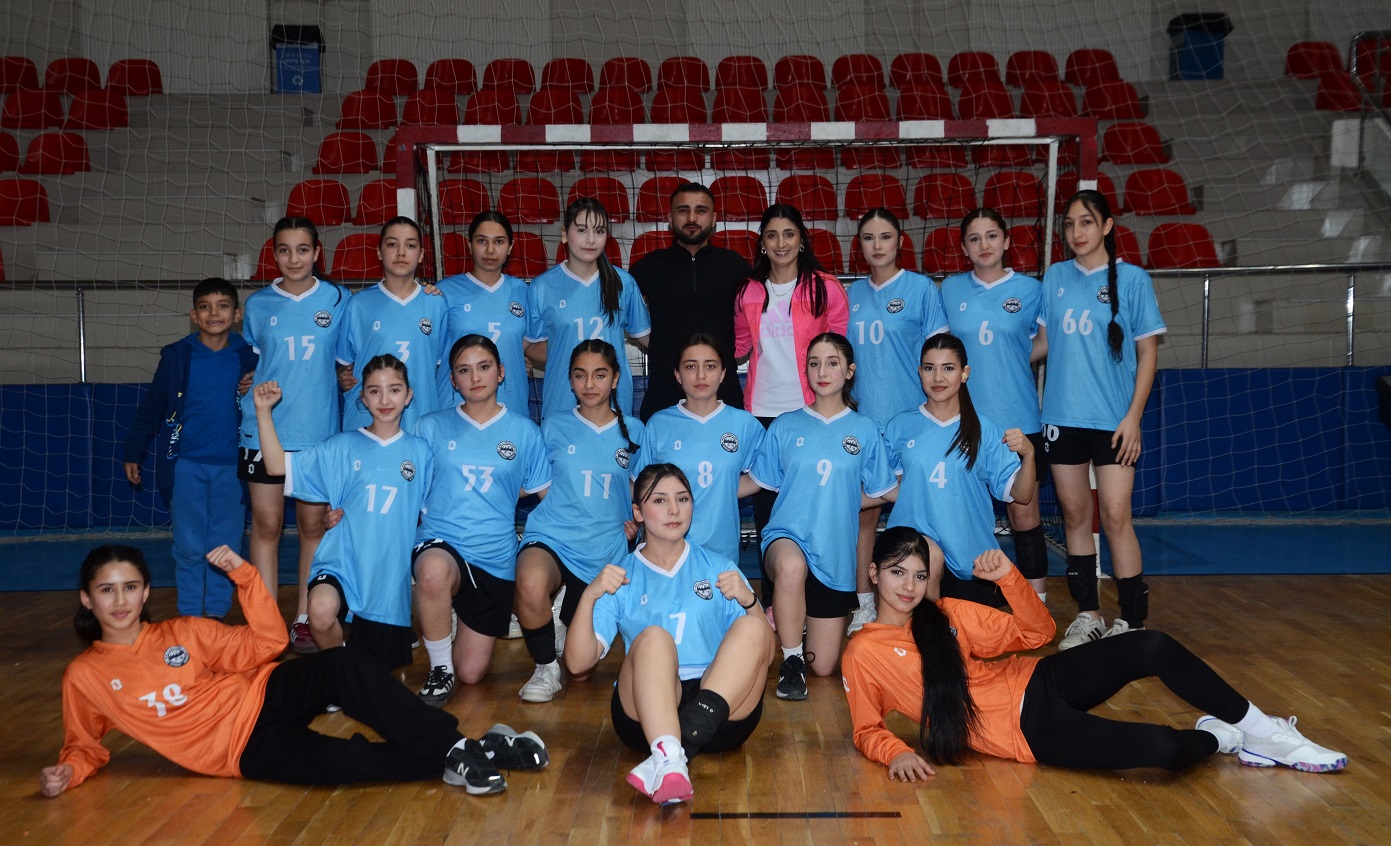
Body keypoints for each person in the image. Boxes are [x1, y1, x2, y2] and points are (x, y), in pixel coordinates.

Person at [40, 544, 550, 798]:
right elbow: (84, 745)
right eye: (107, 590)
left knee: (342, 664)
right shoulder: (84, 676)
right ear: (87, 599)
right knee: (340, 766)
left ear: (146, 592)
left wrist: (245, 577)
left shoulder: (182, 632)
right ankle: (476, 751)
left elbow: (268, 643)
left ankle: (454, 747)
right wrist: (71, 771)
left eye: (130, 587)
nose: (120, 601)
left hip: (264, 694)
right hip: (241, 751)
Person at [842, 526, 1348, 777]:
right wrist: (897, 751)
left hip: (1038, 679)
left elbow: (1038, 633)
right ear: (873, 573)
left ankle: (1266, 731)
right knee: (1164, 751)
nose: (909, 586)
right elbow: (867, 729)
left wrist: (1009, 578)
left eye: (919, 575)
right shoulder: (864, 652)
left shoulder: (947, 614)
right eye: (897, 572)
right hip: (1027, 732)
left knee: (1150, 644)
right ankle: (1223, 738)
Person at [565, 463, 774, 805]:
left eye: (682, 499)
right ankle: (667, 750)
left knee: (753, 625)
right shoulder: (620, 576)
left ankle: (671, 757)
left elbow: (765, 652)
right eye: (660, 500)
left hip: (720, 706)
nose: (674, 510)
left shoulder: (719, 567)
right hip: (645, 710)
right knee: (654, 638)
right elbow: (577, 664)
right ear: (638, 512)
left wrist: (751, 602)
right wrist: (588, 596)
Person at [1041, 191, 1165, 649]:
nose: (1077, 232)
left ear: (1108, 226)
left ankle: (1132, 620)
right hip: (1061, 417)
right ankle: (1088, 615)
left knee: (1115, 515)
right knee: (1075, 515)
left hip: (1114, 421)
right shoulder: (1055, 276)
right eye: (1070, 224)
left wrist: (1133, 417)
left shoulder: (1132, 279)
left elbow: (1148, 353)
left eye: (1087, 222)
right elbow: (1042, 343)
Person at [253, 354, 431, 670]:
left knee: (379, 676)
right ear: (362, 397)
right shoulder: (340, 447)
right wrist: (263, 411)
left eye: (394, 390)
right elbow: (277, 465)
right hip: (341, 562)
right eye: (374, 391)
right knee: (320, 613)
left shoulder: (421, 452)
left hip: (386, 580)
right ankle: (340, 671)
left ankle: (350, 668)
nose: (385, 400)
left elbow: (434, 513)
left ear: (408, 395)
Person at [750, 333, 896, 701]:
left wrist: (933, 491)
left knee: (826, 666)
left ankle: (793, 624)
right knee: (791, 567)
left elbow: (883, 489)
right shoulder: (785, 425)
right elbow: (758, 481)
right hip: (786, 538)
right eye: (814, 363)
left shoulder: (864, 430)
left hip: (834, 554)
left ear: (849, 371)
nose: (822, 371)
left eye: (832, 363)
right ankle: (791, 659)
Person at [412, 335, 552, 704]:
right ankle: (439, 668)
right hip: (441, 542)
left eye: (484, 367)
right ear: (453, 380)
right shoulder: (429, 427)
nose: (475, 377)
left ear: (501, 372)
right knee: (432, 573)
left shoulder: (524, 431)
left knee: (472, 673)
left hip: (494, 557)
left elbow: (546, 498)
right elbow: (404, 488)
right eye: (464, 370)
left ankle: (450, 617)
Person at [239, 217, 347, 653]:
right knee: (266, 523)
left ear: (317, 253)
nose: (294, 258)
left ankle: (304, 617)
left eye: (303, 249)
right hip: (262, 429)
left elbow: (347, 360)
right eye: (284, 250)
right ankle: (265, 622)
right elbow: (256, 363)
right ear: (274, 254)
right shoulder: (258, 305)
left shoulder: (338, 299)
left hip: (317, 433)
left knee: (311, 524)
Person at [515, 340, 644, 703]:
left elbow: (641, 491)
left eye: (599, 375)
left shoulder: (635, 430)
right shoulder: (553, 425)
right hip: (554, 536)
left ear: (615, 379)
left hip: (606, 546)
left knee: (582, 670)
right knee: (530, 579)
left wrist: (637, 523)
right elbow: (531, 482)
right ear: (569, 380)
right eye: (580, 375)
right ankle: (544, 667)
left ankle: (562, 619)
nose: (589, 384)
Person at [735, 204, 850, 609]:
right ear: (762, 244)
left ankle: (820, 598)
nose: (780, 243)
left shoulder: (825, 288)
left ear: (801, 240)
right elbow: (740, 345)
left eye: (788, 234)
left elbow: (839, 350)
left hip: (810, 412)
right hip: (762, 412)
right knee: (767, 509)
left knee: (811, 503)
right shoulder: (749, 290)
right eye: (772, 235)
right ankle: (773, 604)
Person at [121, 277, 258, 619]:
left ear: (237, 314)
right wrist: (133, 450)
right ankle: (191, 617)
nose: (214, 313)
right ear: (194, 316)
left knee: (225, 546)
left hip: (233, 468)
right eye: (205, 307)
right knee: (188, 546)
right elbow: (152, 405)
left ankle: (216, 616)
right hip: (185, 466)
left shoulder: (250, 357)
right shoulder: (177, 356)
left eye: (223, 306)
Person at [845, 208, 949, 633]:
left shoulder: (921, 289)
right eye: (868, 238)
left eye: (885, 236)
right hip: (864, 422)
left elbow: (939, 356)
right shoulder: (851, 293)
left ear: (900, 241)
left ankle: (919, 607)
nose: (877, 245)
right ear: (860, 245)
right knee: (863, 518)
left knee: (914, 517)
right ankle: (864, 604)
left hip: (911, 422)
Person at [941, 208, 1050, 601]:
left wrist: (1013, 360)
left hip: (1017, 419)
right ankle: (968, 602)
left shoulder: (1031, 290)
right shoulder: (950, 290)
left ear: (1006, 241)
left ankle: (1036, 604)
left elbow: (1045, 341)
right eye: (974, 238)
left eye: (991, 236)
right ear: (964, 247)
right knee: (964, 515)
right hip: (964, 422)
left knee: (1024, 513)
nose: (983, 245)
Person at [881, 333, 1037, 606]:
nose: (938, 378)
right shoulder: (899, 426)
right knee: (927, 557)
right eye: (929, 368)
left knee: (975, 631)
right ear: (919, 372)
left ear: (965, 373)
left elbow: (1022, 496)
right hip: (914, 553)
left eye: (948, 368)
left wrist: (1029, 454)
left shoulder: (985, 429)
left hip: (971, 561)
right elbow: (889, 488)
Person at [630, 333, 765, 566]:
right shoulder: (659, 423)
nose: (700, 375)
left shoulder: (744, 424)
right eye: (690, 366)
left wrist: (721, 489)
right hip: (666, 549)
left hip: (722, 552)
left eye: (710, 366)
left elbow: (763, 476)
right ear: (677, 375)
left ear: (723, 373)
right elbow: (639, 485)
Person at [630, 182, 751, 420]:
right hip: (664, 388)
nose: (692, 218)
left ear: (714, 219)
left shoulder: (735, 265)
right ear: (670, 217)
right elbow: (619, 312)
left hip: (722, 387)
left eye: (701, 210)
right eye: (683, 210)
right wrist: (653, 342)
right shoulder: (649, 267)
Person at [525, 197, 651, 419]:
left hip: (613, 403)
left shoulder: (623, 283)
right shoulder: (542, 287)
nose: (591, 239)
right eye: (582, 230)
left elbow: (647, 338)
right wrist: (571, 355)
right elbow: (531, 345)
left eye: (599, 231)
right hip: (562, 401)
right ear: (565, 233)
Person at [337, 217, 450, 432]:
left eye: (410, 245)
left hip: (419, 419)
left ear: (421, 255)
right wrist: (342, 376)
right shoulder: (358, 304)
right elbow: (344, 364)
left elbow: (438, 364)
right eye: (392, 244)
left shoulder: (436, 303)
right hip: (367, 421)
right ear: (379, 252)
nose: (401, 252)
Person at [436, 211, 535, 418]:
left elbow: (530, 343)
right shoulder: (443, 293)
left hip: (511, 407)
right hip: (455, 408)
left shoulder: (523, 292)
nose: (490, 250)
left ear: (510, 246)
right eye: (482, 241)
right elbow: (426, 353)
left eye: (499, 241)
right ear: (469, 244)